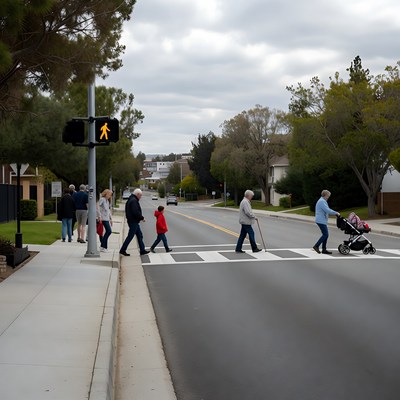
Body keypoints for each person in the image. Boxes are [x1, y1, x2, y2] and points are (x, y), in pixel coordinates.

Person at [119, 188, 149, 256]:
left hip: (133, 221)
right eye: (140, 195)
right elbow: (135, 212)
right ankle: (123, 250)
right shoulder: (134, 201)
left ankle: (142, 250)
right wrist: (142, 218)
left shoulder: (131, 199)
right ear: (137, 194)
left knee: (139, 235)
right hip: (133, 221)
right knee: (130, 236)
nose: (140, 197)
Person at [313, 189, 340, 254]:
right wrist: (336, 213)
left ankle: (324, 249)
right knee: (325, 234)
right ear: (325, 195)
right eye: (328, 196)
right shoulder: (322, 201)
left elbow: (327, 210)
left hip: (321, 220)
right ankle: (316, 246)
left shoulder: (322, 200)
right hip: (321, 220)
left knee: (325, 235)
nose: (328, 197)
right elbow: (327, 210)